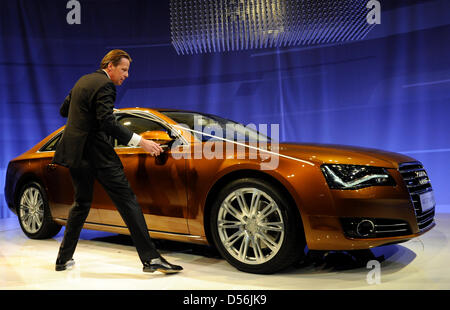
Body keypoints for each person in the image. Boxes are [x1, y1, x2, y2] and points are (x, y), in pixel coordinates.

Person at [52, 49, 182, 274]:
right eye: (123, 70)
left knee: (81, 204)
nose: (126, 75)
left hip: (75, 153)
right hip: (97, 154)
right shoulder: (105, 85)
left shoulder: (83, 81)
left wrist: (97, 110)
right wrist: (142, 142)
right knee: (127, 202)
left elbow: (65, 110)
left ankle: (63, 259)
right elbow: (107, 124)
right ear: (109, 66)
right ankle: (151, 259)